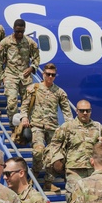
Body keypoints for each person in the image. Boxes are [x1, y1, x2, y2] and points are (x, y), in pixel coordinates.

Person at [18, 62, 72, 190]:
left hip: (53, 127)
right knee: (38, 151)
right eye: (48, 74)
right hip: (37, 126)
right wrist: (24, 117)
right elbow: (25, 105)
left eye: (53, 75)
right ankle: (35, 175)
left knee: (54, 156)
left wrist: (69, 124)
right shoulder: (34, 88)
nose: (50, 77)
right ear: (43, 74)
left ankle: (48, 182)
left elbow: (66, 110)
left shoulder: (59, 92)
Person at [46, 99, 102, 203]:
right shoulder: (67, 127)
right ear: (77, 111)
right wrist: (57, 159)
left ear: (91, 111)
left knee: (93, 200)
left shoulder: (98, 127)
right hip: (74, 169)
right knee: (73, 199)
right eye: (82, 110)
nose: (85, 113)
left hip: (93, 169)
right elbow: (55, 144)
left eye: (87, 111)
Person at [0, 19, 40, 125]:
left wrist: (32, 68)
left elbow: (36, 57)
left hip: (25, 77)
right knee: (12, 103)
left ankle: (26, 127)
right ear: (14, 29)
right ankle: (14, 127)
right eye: (17, 31)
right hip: (10, 75)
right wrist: (2, 75)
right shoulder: (6, 42)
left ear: (24, 29)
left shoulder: (30, 43)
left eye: (21, 31)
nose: (19, 34)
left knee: (29, 103)